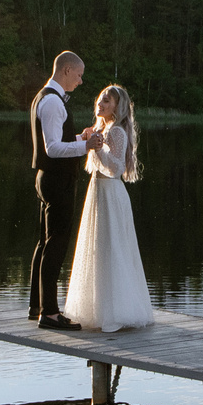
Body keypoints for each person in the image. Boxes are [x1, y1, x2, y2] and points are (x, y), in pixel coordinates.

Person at [63, 83, 155, 330]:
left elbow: (116, 168)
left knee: (112, 248)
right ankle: (97, 310)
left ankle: (117, 313)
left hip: (110, 192)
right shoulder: (101, 129)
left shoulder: (116, 132)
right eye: (100, 99)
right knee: (98, 249)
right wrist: (89, 139)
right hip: (98, 191)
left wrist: (96, 146)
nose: (100, 103)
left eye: (107, 101)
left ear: (117, 107)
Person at [28, 52, 90, 329]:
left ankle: (37, 306)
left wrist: (79, 138)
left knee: (45, 243)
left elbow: (56, 140)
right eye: (78, 75)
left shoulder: (44, 97)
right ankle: (50, 313)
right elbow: (53, 148)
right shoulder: (53, 101)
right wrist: (85, 147)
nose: (80, 81)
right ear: (66, 70)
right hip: (57, 181)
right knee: (56, 244)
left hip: (47, 178)